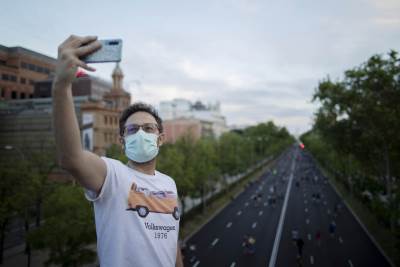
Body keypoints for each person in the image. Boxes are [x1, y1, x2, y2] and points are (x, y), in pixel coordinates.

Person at [52, 35, 183, 267]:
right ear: (121, 142)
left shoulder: (170, 184)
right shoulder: (112, 176)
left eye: (148, 128)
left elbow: (172, 243)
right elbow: (71, 158)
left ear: (160, 139)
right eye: (132, 129)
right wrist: (61, 86)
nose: (140, 134)